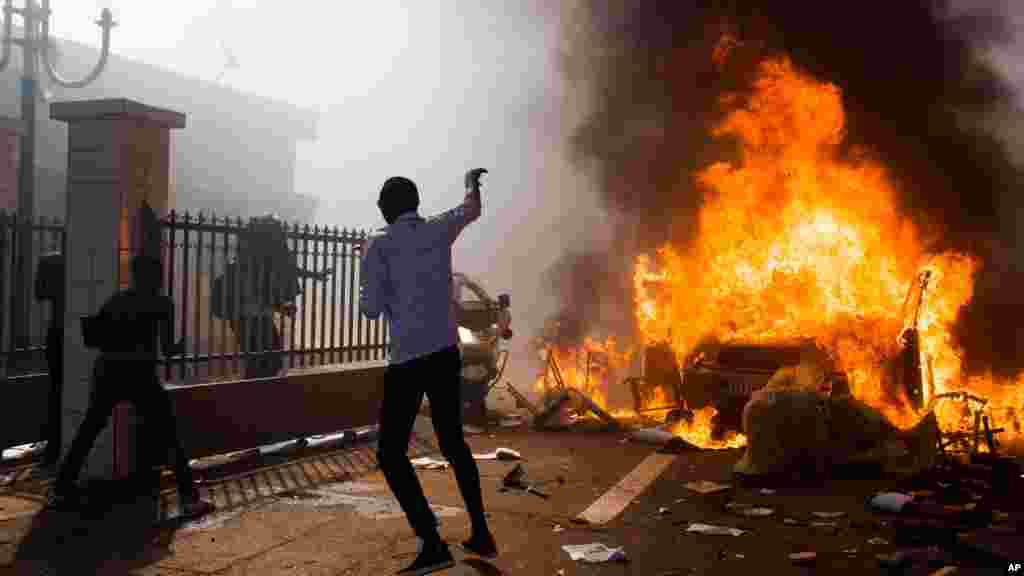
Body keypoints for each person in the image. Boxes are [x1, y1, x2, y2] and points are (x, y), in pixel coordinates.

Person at [360, 169, 497, 575]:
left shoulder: (379, 245)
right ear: (416, 204)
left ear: (385, 209)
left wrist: (371, 269)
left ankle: (431, 541)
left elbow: (369, 308)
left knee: (391, 453)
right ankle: (481, 531)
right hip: (444, 352)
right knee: (453, 442)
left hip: (407, 360)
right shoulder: (439, 229)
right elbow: (471, 208)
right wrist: (472, 181)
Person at [48, 255, 215, 519]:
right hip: (140, 374)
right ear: (156, 277)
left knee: (89, 428)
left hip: (107, 371)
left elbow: (96, 333)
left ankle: (61, 487)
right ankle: (188, 498)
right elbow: (169, 349)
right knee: (168, 432)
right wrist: (181, 345)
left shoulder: (117, 299)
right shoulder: (162, 302)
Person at [33, 251, 65, 476]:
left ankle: (53, 448)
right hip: (81, 331)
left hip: (57, 330)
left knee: (56, 390)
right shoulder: (88, 259)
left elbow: (40, 293)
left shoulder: (50, 261)